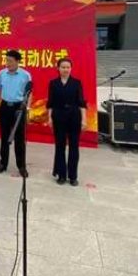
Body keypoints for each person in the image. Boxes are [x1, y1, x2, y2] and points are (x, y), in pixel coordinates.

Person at [47, 58, 87, 186]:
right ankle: (61, 175)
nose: (66, 70)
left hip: (74, 116)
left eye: (68, 67)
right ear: (58, 68)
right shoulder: (53, 83)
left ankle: (73, 176)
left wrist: (84, 120)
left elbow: (81, 102)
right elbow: (50, 102)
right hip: (58, 116)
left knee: (74, 146)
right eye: (63, 67)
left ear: (71, 68)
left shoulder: (76, 83)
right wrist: (49, 118)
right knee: (60, 146)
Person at [0, 50, 32, 178]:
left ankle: (21, 166)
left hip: (19, 107)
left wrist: (28, 108)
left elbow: (29, 92)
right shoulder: (2, 73)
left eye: (10, 61)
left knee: (20, 139)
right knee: (4, 137)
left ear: (17, 61)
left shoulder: (25, 75)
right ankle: (3, 163)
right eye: (6, 60)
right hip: (5, 107)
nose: (7, 63)